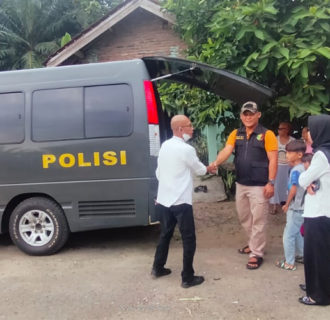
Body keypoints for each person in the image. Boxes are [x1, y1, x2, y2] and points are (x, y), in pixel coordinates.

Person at [211, 101, 278, 270]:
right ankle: (253, 243)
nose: (248, 117)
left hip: (260, 185)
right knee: (244, 218)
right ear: (241, 116)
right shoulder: (236, 133)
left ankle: (256, 253)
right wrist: (216, 163)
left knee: (259, 220)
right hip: (241, 183)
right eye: (245, 114)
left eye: (251, 114)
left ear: (258, 115)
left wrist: (271, 182)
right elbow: (227, 150)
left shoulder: (267, 134)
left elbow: (273, 159)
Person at [151, 115, 215, 288]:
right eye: (189, 125)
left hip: (164, 200)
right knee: (189, 239)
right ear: (180, 129)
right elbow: (200, 170)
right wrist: (209, 168)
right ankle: (187, 277)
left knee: (165, 234)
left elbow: (158, 173)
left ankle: (158, 268)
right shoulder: (186, 149)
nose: (192, 128)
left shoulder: (165, 146)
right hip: (180, 201)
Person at [298, 114, 330, 306]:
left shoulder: (320, 155)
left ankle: (317, 295)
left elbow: (302, 179)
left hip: (317, 212)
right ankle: (321, 287)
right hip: (326, 211)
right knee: (325, 253)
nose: (308, 133)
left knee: (316, 255)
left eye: (310, 129)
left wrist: (308, 179)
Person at [275, 140, 306, 271]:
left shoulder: (296, 171)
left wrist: (287, 204)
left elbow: (293, 188)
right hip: (302, 207)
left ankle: (289, 262)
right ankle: (301, 255)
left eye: (289, 152)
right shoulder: (304, 167)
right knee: (297, 232)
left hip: (295, 207)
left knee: (288, 235)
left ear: (299, 155)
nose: (286, 154)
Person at [269, 122, 295, 214]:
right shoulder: (275, 140)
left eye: (281, 129)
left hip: (288, 166)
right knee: (275, 185)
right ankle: (274, 206)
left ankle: (286, 204)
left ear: (287, 130)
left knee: (287, 185)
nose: (279, 131)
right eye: (279, 129)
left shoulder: (292, 141)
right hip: (277, 165)